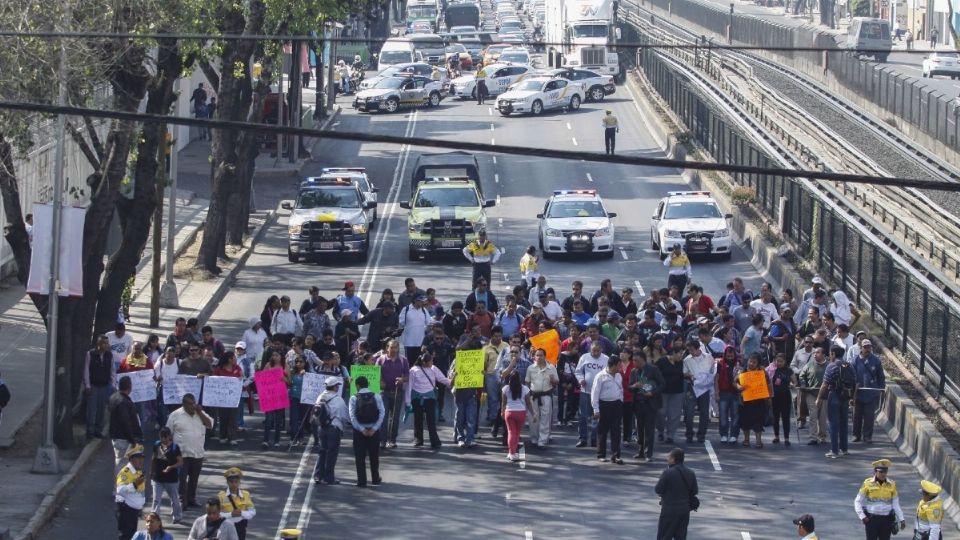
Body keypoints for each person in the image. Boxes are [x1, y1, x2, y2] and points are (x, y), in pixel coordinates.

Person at [166, 393, 213, 509]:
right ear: (184, 405)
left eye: (194, 403)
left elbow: (210, 425)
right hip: (182, 454)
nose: (193, 406)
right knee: (181, 478)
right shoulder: (175, 415)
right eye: (190, 404)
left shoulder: (200, 414)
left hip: (197, 453)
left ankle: (192, 499)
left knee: (194, 479)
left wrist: (200, 412)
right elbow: (167, 433)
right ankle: (182, 500)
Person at [817, 346, 856, 458]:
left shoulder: (831, 366)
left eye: (830, 354)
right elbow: (854, 382)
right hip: (845, 397)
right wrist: (852, 397)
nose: (829, 356)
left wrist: (819, 398)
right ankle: (844, 449)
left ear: (833, 354)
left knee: (833, 424)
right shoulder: (849, 366)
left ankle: (834, 451)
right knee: (844, 424)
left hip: (834, 395)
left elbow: (825, 384)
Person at [854, 458, 906, 540]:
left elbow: (896, 504)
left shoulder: (892, 484)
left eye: (885, 472)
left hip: (886, 520)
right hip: (871, 520)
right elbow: (858, 501)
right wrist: (862, 516)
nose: (883, 474)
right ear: (875, 471)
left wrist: (902, 519)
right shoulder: (867, 483)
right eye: (881, 472)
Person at [408, 353, 451, 449]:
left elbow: (442, 379)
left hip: (430, 398)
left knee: (431, 420)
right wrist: (407, 401)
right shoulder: (413, 370)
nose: (432, 362)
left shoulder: (433, 368)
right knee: (417, 419)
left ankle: (434, 441)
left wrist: (451, 382)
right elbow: (409, 386)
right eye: (431, 361)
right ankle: (418, 440)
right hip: (417, 398)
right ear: (424, 362)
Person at [655, 447, 698, 540]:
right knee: (681, 536)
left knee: (664, 536)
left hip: (669, 510)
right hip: (684, 510)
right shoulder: (690, 473)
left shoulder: (668, 473)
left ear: (673, 459)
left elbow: (658, 489)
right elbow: (694, 491)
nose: (667, 459)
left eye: (669, 457)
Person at [313, 376, 350, 485]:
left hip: (322, 427)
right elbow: (345, 417)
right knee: (332, 454)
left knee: (322, 451)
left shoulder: (320, 397)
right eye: (337, 385)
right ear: (334, 387)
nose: (338, 387)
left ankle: (318, 475)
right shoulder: (338, 399)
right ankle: (329, 478)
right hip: (334, 428)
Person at [349, 375, 384, 486]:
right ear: (367, 384)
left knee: (360, 457)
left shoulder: (354, 398)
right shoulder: (377, 396)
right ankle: (375, 479)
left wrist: (361, 429)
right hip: (374, 431)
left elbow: (352, 416)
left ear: (357, 386)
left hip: (359, 432)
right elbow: (382, 413)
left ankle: (362, 481)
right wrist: (374, 429)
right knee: (374, 456)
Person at [375, 340, 409, 449]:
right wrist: (380, 381)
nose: (394, 350)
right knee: (383, 417)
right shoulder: (381, 359)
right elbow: (375, 374)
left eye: (396, 347)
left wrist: (402, 379)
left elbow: (407, 376)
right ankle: (382, 440)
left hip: (397, 392)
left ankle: (392, 439)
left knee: (394, 417)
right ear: (387, 348)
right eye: (391, 347)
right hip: (383, 392)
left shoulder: (403, 360)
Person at [682, 339, 716, 444]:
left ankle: (701, 434)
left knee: (705, 414)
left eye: (692, 350)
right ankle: (689, 434)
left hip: (705, 388)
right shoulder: (687, 360)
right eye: (689, 350)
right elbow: (683, 373)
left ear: (698, 348)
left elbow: (713, 370)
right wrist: (689, 375)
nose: (691, 352)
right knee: (689, 413)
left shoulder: (709, 357)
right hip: (692, 388)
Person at [592, 356, 625, 464]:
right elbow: (595, 393)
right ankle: (601, 454)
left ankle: (616, 455)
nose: (620, 367)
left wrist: (620, 400)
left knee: (616, 430)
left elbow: (620, 389)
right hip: (604, 404)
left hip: (616, 404)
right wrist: (596, 409)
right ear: (613, 365)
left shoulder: (619, 376)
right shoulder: (600, 376)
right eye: (619, 365)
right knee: (603, 430)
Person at [575, 341, 608, 447]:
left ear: (601, 350)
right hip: (586, 391)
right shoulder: (584, 357)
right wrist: (581, 380)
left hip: (600, 393)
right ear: (590, 349)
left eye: (598, 351)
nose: (595, 353)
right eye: (593, 351)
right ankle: (583, 438)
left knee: (596, 416)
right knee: (583, 416)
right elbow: (578, 371)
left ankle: (594, 438)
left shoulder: (606, 359)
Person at [110, 375, 144, 477]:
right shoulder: (124, 402)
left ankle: (123, 486)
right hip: (124, 438)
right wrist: (133, 440)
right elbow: (125, 422)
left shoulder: (114, 397)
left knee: (122, 462)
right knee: (123, 463)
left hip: (117, 436)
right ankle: (119, 488)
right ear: (130, 387)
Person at [852, 339, 885, 444]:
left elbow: (881, 376)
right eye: (865, 347)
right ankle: (856, 435)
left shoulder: (876, 361)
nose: (867, 349)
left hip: (871, 394)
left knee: (869, 416)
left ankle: (867, 436)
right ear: (861, 348)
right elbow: (852, 376)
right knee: (856, 416)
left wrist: (881, 389)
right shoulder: (855, 361)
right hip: (858, 394)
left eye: (869, 347)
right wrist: (853, 390)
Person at [525, 348, 558, 448]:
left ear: (545, 356)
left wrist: (553, 380)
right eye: (537, 355)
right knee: (533, 417)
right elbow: (527, 382)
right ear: (534, 357)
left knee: (545, 417)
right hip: (534, 395)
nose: (539, 357)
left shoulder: (551, 367)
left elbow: (556, 382)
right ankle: (534, 437)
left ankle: (543, 439)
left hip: (546, 395)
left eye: (541, 355)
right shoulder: (530, 368)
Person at [736, 353, 771, 448]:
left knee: (758, 422)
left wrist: (769, 398)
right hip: (745, 401)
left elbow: (768, 384)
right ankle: (746, 440)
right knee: (745, 421)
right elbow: (735, 382)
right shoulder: (742, 371)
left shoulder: (763, 372)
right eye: (750, 361)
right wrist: (739, 387)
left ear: (758, 364)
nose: (751, 363)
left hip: (759, 401)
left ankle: (758, 441)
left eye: (754, 362)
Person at [85, 335, 115, 439]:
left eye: (107, 343)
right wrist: (87, 385)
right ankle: (90, 431)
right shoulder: (91, 354)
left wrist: (113, 384)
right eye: (104, 343)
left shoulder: (109, 355)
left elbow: (112, 371)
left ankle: (98, 430)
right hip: (93, 385)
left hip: (105, 386)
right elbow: (86, 370)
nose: (106, 345)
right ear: (99, 344)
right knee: (92, 409)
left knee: (102, 409)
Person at [150, 426, 183, 525]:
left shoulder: (175, 448)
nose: (163, 439)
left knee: (174, 499)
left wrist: (171, 467)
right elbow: (153, 458)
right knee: (156, 500)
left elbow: (180, 462)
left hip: (171, 479)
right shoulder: (156, 445)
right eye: (161, 437)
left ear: (169, 436)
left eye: (165, 437)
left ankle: (177, 516)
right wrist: (151, 471)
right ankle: (155, 519)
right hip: (157, 478)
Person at [448, 351, 479, 448]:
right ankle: (460, 438)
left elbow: (481, 377)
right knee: (460, 417)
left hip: (471, 393)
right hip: (459, 393)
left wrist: (481, 374)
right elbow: (449, 379)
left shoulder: (476, 360)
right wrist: (455, 374)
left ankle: (470, 439)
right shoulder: (457, 361)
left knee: (471, 417)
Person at [798, 346, 829, 446]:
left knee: (822, 417)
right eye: (814, 353)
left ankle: (822, 437)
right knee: (813, 416)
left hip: (824, 395)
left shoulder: (828, 366)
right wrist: (803, 384)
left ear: (824, 355)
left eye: (818, 352)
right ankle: (813, 438)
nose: (815, 354)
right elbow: (802, 375)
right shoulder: (809, 364)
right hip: (811, 393)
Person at [116, 444, 147, 540]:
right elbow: (120, 490)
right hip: (126, 512)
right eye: (139, 458)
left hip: (134, 512)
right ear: (131, 459)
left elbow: (139, 493)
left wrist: (140, 508)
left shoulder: (138, 472)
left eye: (142, 458)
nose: (141, 461)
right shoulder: (125, 472)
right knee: (126, 537)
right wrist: (134, 485)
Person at [501, 371, 532, 462]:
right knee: (517, 433)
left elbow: (503, 402)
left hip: (509, 412)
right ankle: (513, 452)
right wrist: (533, 414)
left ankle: (511, 452)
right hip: (520, 412)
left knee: (511, 432)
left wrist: (502, 412)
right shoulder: (525, 389)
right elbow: (528, 403)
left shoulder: (505, 388)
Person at [218, 467, 256, 540]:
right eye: (231, 482)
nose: (234, 484)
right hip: (226, 527)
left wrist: (241, 513)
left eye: (236, 481)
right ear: (227, 482)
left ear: (239, 482)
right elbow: (217, 514)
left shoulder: (245, 495)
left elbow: (252, 512)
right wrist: (230, 514)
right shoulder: (221, 496)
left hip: (240, 527)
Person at [769, 352, 795, 445]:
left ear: (785, 361)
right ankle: (776, 436)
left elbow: (794, 382)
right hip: (774, 396)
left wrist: (792, 384)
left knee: (785, 418)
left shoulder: (789, 370)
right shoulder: (772, 369)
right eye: (777, 361)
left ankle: (786, 438)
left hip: (785, 396)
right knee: (775, 417)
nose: (779, 363)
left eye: (781, 361)